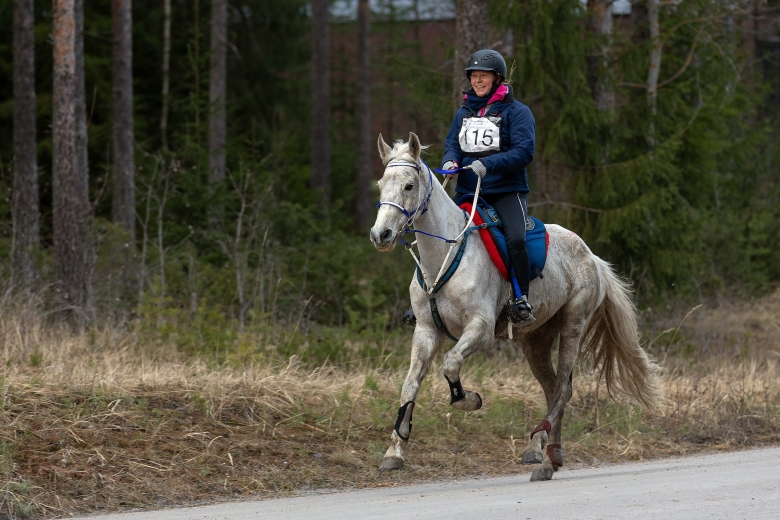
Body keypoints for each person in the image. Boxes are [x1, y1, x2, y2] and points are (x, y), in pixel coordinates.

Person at [441, 49, 536, 324]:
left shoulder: (518, 112)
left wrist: (490, 163)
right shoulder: (463, 112)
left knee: (516, 239)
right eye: (474, 76)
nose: (478, 81)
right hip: (470, 190)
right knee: (438, 234)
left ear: (497, 79)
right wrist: (450, 161)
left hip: (507, 190)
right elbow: (452, 145)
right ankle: (428, 297)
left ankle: (521, 299)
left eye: (483, 76)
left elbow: (524, 151)